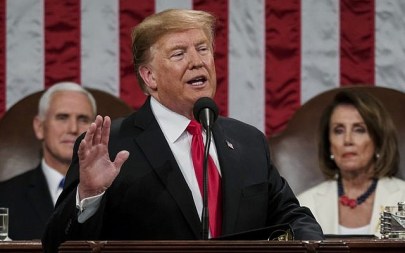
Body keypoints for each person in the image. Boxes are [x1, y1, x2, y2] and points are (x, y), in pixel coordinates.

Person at [42, 9, 323, 252]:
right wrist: (89, 194)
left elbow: (291, 217)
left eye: (203, 49)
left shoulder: (248, 141)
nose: (197, 61)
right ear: (149, 76)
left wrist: (311, 245)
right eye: (179, 54)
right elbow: (57, 246)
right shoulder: (112, 146)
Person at [297, 90, 405, 235]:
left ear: (378, 141)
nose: (347, 140)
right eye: (339, 130)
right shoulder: (306, 204)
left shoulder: (401, 198)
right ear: (329, 144)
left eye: (359, 130)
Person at [0, 82, 96, 240]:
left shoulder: (120, 196)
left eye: (83, 119)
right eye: (62, 117)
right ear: (39, 127)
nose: (73, 128)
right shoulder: (4, 196)